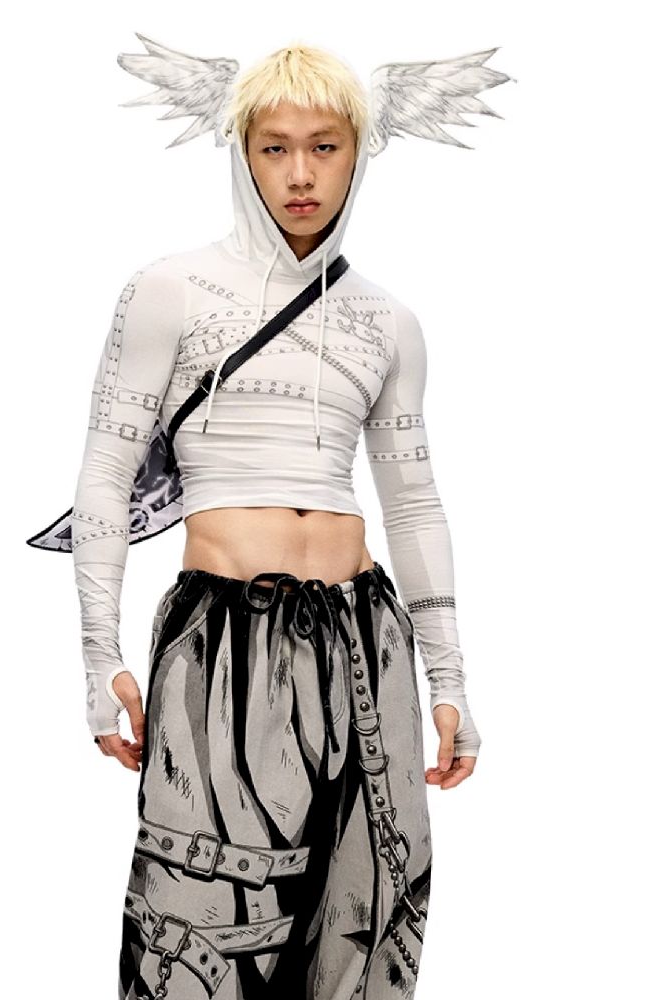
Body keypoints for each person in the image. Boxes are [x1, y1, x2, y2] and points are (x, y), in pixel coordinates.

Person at [65, 39, 504, 1000]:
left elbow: (413, 499)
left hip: (366, 635)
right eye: (274, 147)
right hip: (226, 635)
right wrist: (99, 659)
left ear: (358, 153)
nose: (300, 174)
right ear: (242, 151)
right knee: (205, 924)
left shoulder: (389, 321)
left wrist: (450, 678)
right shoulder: (169, 289)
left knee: (370, 907)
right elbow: (104, 474)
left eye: (323, 146)